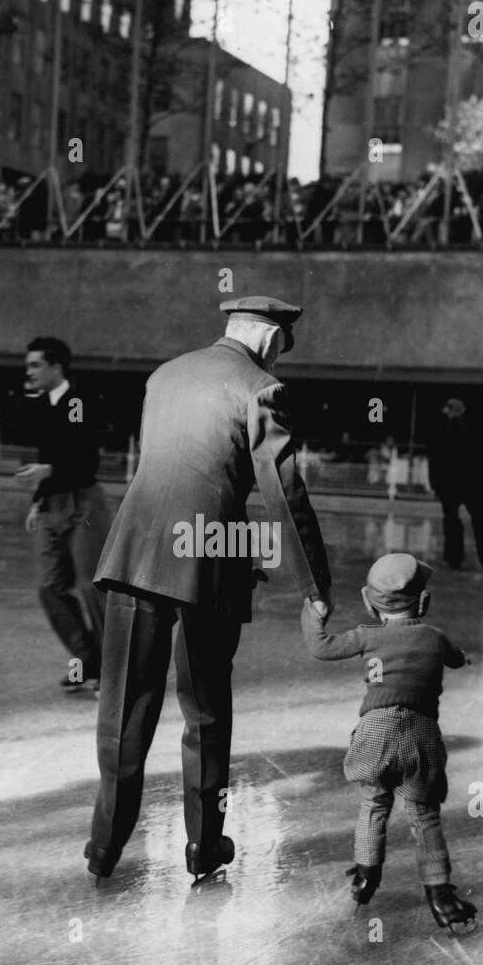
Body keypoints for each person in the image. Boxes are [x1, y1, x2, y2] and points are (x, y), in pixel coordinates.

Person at [87, 295, 332, 882]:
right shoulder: (261, 388)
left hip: (137, 553)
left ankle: (104, 848)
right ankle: (203, 848)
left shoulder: (164, 375)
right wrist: (314, 584)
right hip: (207, 559)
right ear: (272, 340)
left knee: (124, 708)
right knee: (206, 712)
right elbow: (284, 493)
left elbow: (179, 470)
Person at [301, 553, 476, 931]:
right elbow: (456, 658)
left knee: (373, 805)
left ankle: (366, 877)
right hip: (421, 736)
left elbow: (321, 647)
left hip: (375, 734)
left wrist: (313, 611)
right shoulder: (435, 637)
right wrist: (465, 659)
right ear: (424, 602)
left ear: (367, 601)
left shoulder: (366, 636)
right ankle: (441, 898)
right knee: (425, 818)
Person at [16, 338, 106, 692]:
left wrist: (48, 471)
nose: (29, 372)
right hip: (50, 505)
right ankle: (87, 658)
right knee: (49, 587)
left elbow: (86, 461)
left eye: (35, 365)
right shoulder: (41, 407)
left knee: (91, 586)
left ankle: (112, 669)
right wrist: (38, 500)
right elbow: (48, 459)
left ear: (56, 367)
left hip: (82, 503)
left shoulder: (78, 403)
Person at [427, 398, 483, 572]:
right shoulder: (476, 432)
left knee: (451, 522)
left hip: (450, 486)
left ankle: (454, 558)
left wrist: (436, 485)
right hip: (475, 487)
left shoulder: (442, 432)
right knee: (479, 522)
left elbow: (436, 462)